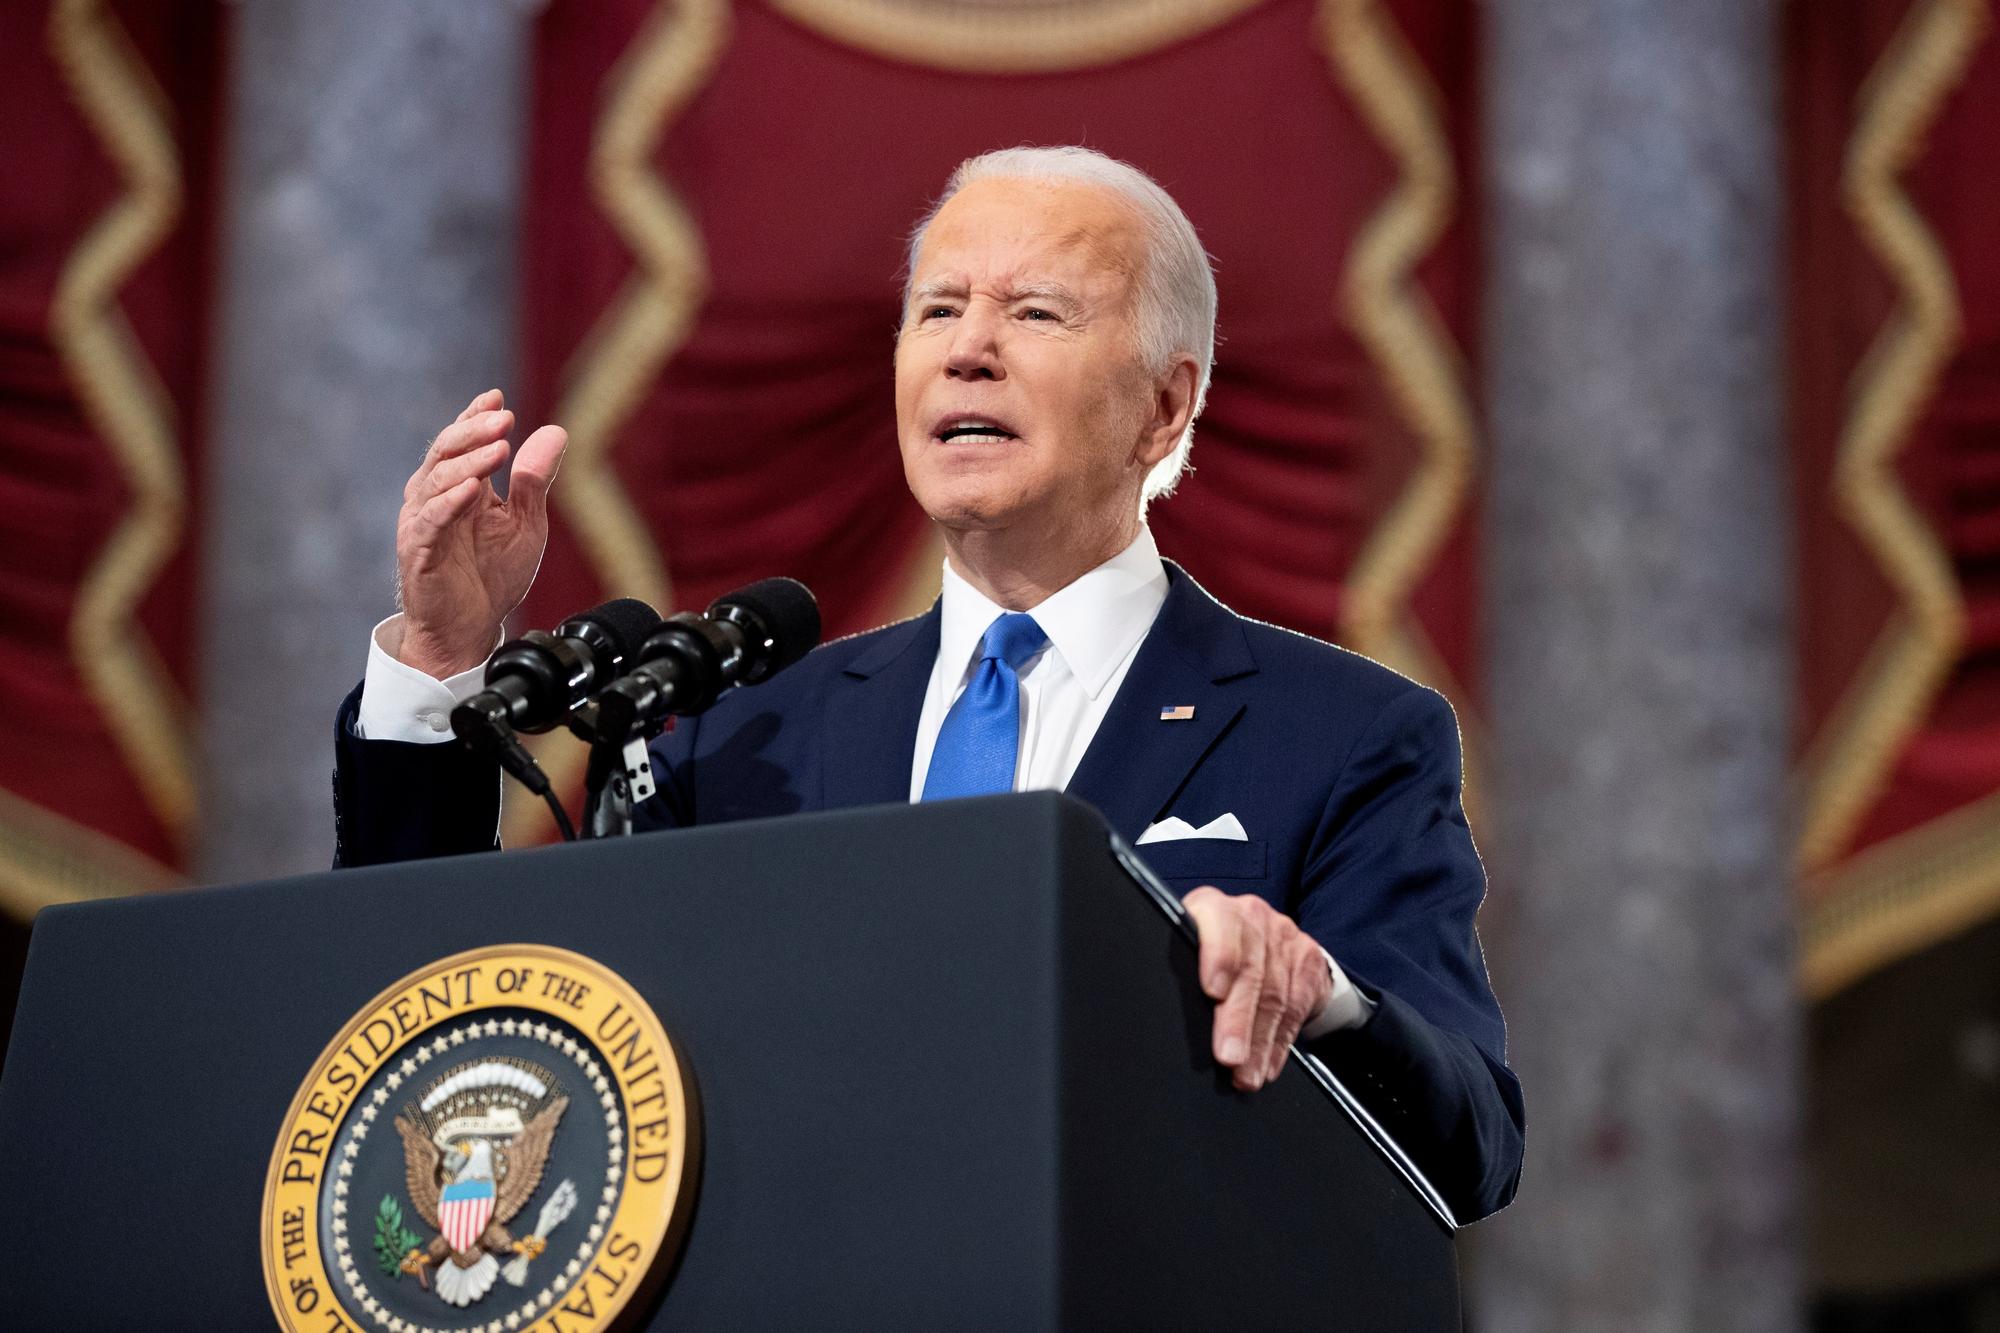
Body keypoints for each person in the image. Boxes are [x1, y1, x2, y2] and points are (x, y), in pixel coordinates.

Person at [334, 146, 1524, 1221]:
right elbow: (449, 1028)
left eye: (1034, 311)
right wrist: (443, 663)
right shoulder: (737, 736)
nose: (966, 348)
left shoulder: (1346, 731)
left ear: (1164, 407)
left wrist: (1324, 998)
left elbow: (1470, 1139)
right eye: (936, 309)